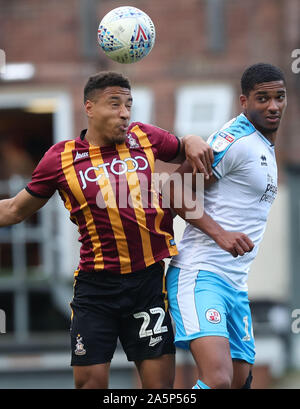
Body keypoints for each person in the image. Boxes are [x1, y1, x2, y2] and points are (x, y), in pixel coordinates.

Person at [0, 71, 216, 389]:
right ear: (89, 107)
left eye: (128, 104)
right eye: (115, 104)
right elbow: (15, 209)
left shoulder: (144, 137)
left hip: (147, 285)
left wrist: (194, 139)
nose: (125, 112)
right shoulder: (61, 158)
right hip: (95, 289)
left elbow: (184, 147)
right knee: (90, 384)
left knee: (160, 388)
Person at [166, 62, 287, 389]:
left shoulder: (264, 146)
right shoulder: (234, 139)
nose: (273, 106)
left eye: (279, 97)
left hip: (235, 284)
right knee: (217, 381)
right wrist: (220, 234)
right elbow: (173, 189)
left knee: (238, 382)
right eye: (262, 98)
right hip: (200, 273)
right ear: (244, 102)